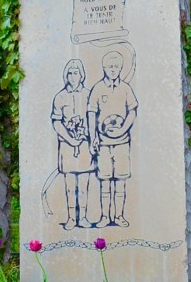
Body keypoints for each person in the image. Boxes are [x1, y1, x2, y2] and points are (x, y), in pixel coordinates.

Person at [88, 51, 138, 227]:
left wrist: (123, 129)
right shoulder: (97, 89)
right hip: (103, 143)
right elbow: (91, 113)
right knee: (105, 181)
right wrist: (93, 136)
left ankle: (118, 216)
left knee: (120, 181)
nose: (113, 70)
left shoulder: (126, 88)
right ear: (104, 68)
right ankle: (104, 217)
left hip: (122, 142)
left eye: (116, 67)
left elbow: (132, 111)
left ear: (121, 68)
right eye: (109, 66)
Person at [51, 59, 94, 229]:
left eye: (76, 72)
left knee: (83, 185)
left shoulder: (89, 94)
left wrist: (87, 136)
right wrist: (69, 138)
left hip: (84, 146)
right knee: (70, 186)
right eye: (70, 73)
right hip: (67, 146)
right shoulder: (60, 97)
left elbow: (93, 119)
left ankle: (82, 217)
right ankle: (71, 218)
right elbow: (57, 122)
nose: (73, 76)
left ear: (81, 75)